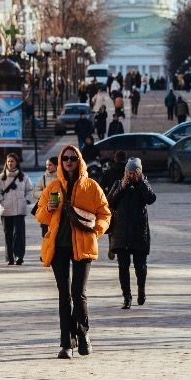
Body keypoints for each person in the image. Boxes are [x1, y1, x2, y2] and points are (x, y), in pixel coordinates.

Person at [35, 145, 111, 359]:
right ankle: (66, 344)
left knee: (78, 293)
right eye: (65, 158)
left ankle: (83, 333)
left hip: (84, 244)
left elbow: (104, 213)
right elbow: (40, 215)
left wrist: (97, 232)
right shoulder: (53, 187)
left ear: (79, 161)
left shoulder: (91, 186)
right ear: (60, 162)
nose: (69, 162)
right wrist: (49, 209)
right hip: (58, 246)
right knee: (64, 295)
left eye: (73, 158)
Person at [106, 157, 157, 309]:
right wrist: (121, 187)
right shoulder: (118, 184)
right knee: (123, 267)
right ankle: (126, 297)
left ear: (140, 172)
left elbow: (151, 199)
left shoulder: (143, 184)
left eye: (134, 172)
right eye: (128, 172)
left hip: (138, 233)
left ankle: (141, 289)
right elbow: (109, 203)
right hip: (120, 233)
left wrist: (141, 181)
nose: (131, 175)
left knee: (140, 267)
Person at [0, 152, 33, 265]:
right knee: (8, 233)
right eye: (8, 161)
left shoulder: (23, 177)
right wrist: (1, 201)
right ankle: (9, 257)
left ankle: (19, 256)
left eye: (12, 161)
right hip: (6, 210)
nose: (10, 163)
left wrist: (26, 200)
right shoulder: (1, 177)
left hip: (20, 209)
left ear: (17, 163)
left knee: (19, 233)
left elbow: (30, 190)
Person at [33, 156, 59, 237]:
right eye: (47, 165)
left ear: (56, 165)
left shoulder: (61, 178)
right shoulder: (43, 178)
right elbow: (35, 192)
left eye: (50, 165)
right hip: (46, 210)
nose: (48, 167)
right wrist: (45, 195)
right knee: (46, 235)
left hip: (58, 210)